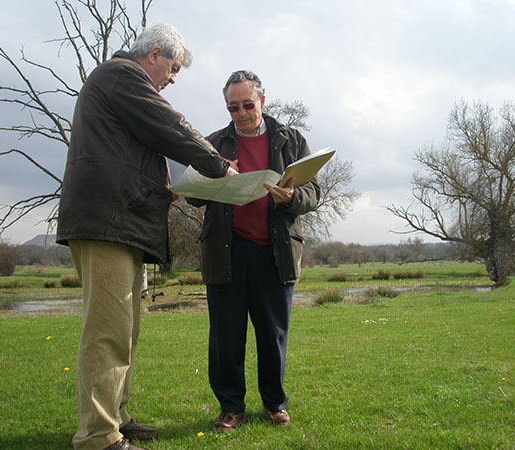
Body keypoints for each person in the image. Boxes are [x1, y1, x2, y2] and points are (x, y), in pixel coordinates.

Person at [56, 24, 237, 450]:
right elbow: (169, 126)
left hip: (122, 224)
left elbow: (138, 148)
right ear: (154, 54)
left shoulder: (120, 85)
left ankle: (115, 417)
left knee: (126, 330)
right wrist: (219, 166)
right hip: (107, 223)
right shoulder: (121, 75)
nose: (174, 78)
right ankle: (99, 437)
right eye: (173, 67)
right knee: (107, 333)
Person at [188, 70, 320, 431]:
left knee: (273, 334)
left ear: (262, 100)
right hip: (226, 253)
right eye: (233, 107)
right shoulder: (213, 143)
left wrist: (293, 197)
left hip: (274, 254)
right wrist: (215, 176)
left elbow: (314, 194)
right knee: (226, 336)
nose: (242, 113)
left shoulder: (291, 140)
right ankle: (231, 408)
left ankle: (274, 404)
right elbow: (195, 196)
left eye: (248, 104)